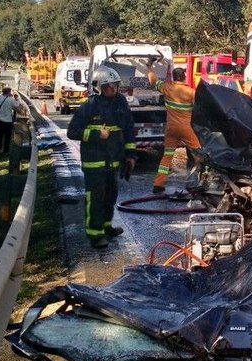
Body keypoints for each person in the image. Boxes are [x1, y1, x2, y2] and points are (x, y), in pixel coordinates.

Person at [67, 66, 137, 248]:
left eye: (115, 85)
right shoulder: (89, 106)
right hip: (94, 162)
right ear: (98, 87)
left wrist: (130, 155)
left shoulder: (121, 102)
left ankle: (106, 227)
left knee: (110, 196)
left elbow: (128, 128)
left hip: (113, 161)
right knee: (95, 198)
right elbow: (72, 132)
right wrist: (97, 135)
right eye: (108, 86)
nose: (113, 89)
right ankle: (95, 234)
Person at [147, 66, 199, 194]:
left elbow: (153, 80)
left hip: (171, 129)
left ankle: (158, 184)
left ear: (173, 77)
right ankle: (202, 182)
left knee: (167, 156)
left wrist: (149, 67)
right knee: (199, 155)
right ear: (184, 77)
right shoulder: (191, 92)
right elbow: (199, 108)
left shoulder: (167, 88)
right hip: (186, 128)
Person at [0, 87, 16, 155]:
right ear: (8, 92)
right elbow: (15, 108)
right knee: (7, 137)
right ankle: (6, 150)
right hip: (8, 121)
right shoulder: (11, 99)